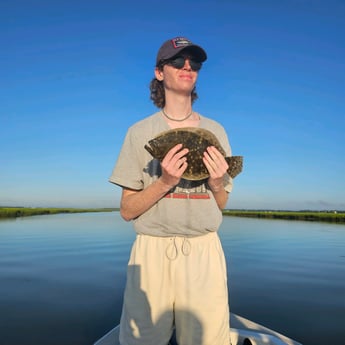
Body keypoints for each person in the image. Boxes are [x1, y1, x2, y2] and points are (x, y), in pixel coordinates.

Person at [109, 36, 234, 345]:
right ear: (160, 73)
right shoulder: (138, 133)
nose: (187, 67)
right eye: (178, 61)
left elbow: (221, 203)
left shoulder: (215, 131)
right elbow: (126, 211)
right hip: (152, 251)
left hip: (204, 250)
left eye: (195, 63)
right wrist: (165, 181)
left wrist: (217, 182)